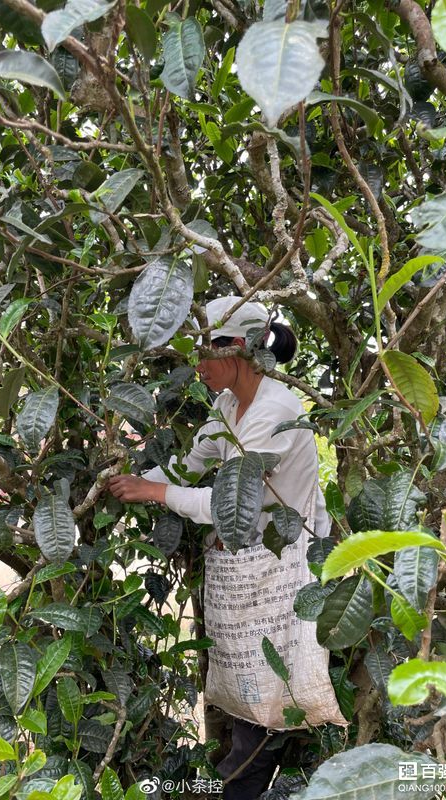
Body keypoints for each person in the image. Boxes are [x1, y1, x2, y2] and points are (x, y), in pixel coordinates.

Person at [108, 297, 340, 799]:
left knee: (268, 714)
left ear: (237, 348)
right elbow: (190, 466)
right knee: (256, 702)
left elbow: (236, 501)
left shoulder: (276, 408)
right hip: (253, 572)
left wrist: (153, 493)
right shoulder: (228, 405)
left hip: (288, 568)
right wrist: (134, 482)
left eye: (203, 353)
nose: (197, 367)